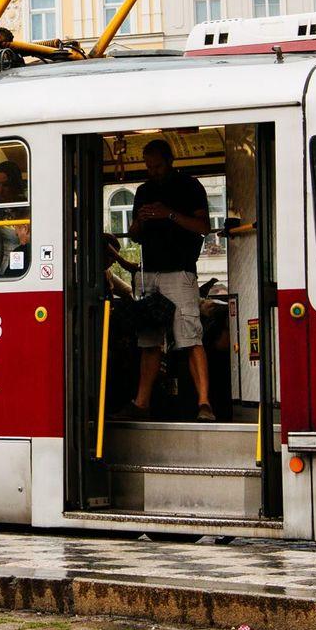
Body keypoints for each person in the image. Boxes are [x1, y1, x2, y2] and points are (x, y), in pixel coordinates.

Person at [116, 139, 215, 421]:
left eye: (157, 166)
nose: (153, 172)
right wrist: (140, 223)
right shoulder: (143, 191)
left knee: (190, 337)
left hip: (180, 271)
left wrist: (168, 214)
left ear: (170, 161)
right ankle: (141, 403)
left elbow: (203, 227)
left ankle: (204, 404)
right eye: (148, 167)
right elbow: (134, 235)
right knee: (149, 339)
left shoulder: (190, 186)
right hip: (150, 273)